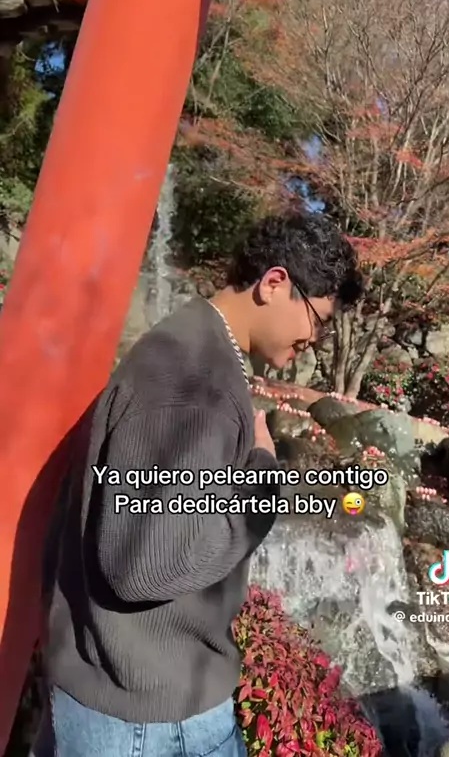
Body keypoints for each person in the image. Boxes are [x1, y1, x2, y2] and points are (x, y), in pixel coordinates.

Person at [32, 211, 362, 757]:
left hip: (125, 698)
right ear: (274, 283)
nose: (316, 339)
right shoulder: (192, 384)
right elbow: (145, 562)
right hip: (151, 720)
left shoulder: (196, 352)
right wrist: (262, 479)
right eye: (317, 320)